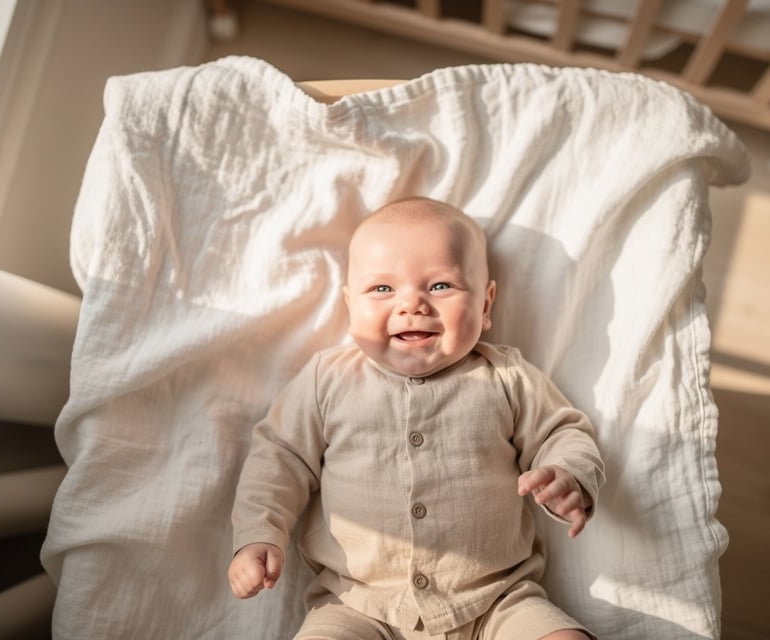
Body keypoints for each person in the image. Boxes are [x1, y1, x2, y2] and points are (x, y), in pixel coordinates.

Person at [228, 197, 605, 640]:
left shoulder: (506, 376)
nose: (413, 305)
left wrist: (569, 475)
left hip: (497, 601)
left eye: (441, 286)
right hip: (358, 606)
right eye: (382, 289)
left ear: (486, 305)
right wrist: (259, 535)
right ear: (351, 306)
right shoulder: (327, 381)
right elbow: (280, 458)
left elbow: (563, 430)